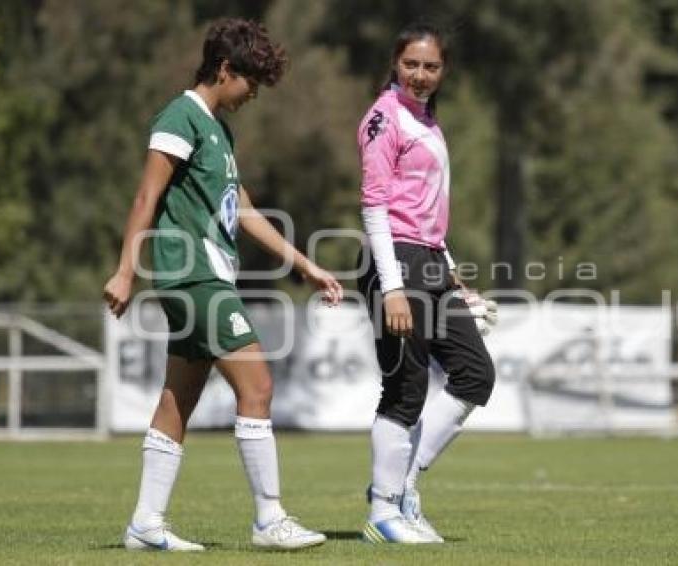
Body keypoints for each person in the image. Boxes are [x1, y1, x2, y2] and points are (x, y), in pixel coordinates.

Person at [102, 18, 343, 552]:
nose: (253, 92)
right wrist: (126, 270)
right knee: (257, 387)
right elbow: (146, 197)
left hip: (204, 276)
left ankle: (145, 523)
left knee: (177, 400)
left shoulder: (218, 129)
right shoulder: (180, 117)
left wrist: (303, 263)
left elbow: (245, 211)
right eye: (250, 80)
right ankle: (269, 519)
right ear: (225, 68)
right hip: (194, 277)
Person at [356, 22, 496, 544]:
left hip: (430, 260)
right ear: (396, 63)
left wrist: (452, 271)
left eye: (431, 66)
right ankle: (384, 513)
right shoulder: (383, 118)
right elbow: (375, 205)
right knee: (405, 388)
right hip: (393, 261)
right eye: (411, 64)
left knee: (475, 373)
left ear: (444, 71)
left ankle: (406, 486)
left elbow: (426, 211)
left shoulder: (427, 121)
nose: (420, 74)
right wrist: (392, 287)